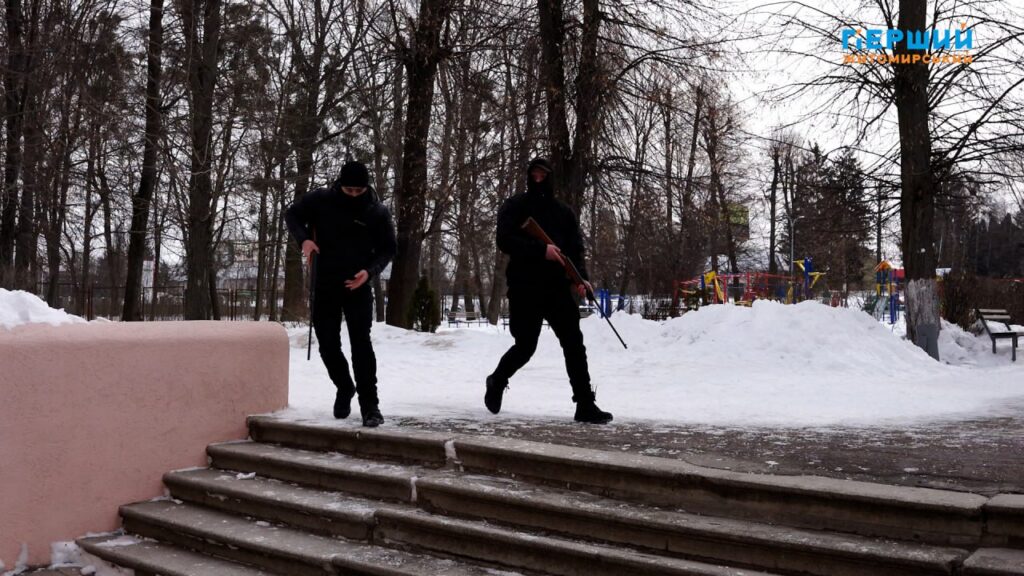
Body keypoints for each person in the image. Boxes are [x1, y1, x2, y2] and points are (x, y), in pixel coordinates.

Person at [485, 157, 613, 424]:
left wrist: (581, 279)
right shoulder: (515, 206)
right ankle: (497, 380)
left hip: (557, 288)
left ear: (550, 177)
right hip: (524, 287)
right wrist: (541, 250)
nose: (538, 179)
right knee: (525, 346)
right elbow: (505, 240)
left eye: (543, 175)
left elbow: (575, 250)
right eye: (534, 174)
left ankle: (585, 404)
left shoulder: (564, 213)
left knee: (573, 343)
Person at [285, 160, 396, 427]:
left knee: (361, 345)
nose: (354, 195)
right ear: (340, 185)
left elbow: (388, 248)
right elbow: (292, 215)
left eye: (359, 190)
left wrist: (369, 272)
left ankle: (370, 406)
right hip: (325, 283)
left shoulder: (377, 212)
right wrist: (305, 240)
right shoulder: (320, 200)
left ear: (366, 188)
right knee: (327, 345)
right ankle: (344, 386)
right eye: (349, 190)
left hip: (358, 285)